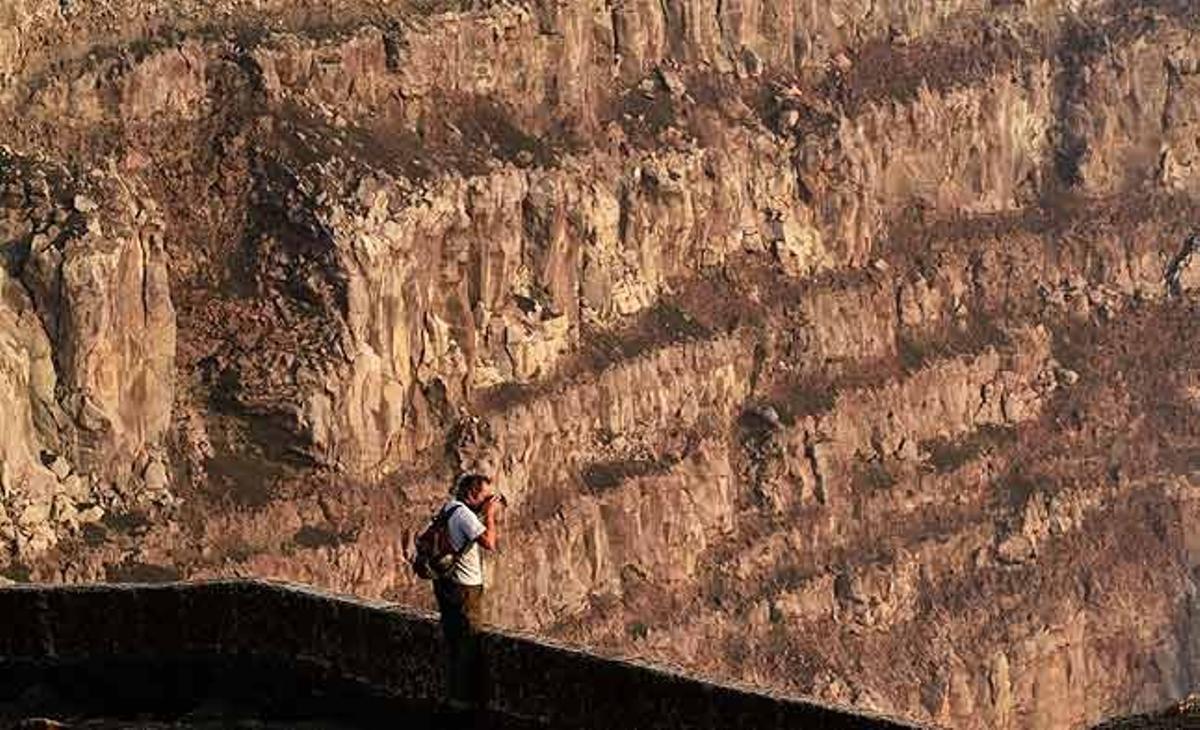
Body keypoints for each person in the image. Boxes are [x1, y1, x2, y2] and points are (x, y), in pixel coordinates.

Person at [434, 472, 504, 712]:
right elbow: (490, 543)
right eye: (485, 496)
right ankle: (462, 702)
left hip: (447, 585)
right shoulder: (465, 515)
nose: (488, 501)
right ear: (472, 494)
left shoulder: (450, 508)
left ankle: (454, 696)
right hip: (465, 589)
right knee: (468, 643)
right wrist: (490, 516)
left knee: (454, 640)